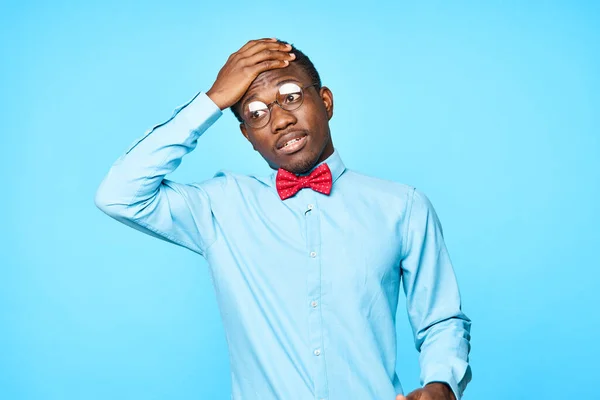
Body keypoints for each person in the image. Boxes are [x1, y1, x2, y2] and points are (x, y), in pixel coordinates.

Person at [95, 38, 472, 400]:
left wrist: (443, 385)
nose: (278, 121)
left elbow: (441, 320)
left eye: (291, 97)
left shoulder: (402, 207)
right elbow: (119, 194)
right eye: (257, 113)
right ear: (247, 135)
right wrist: (211, 102)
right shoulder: (219, 208)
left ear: (325, 102)